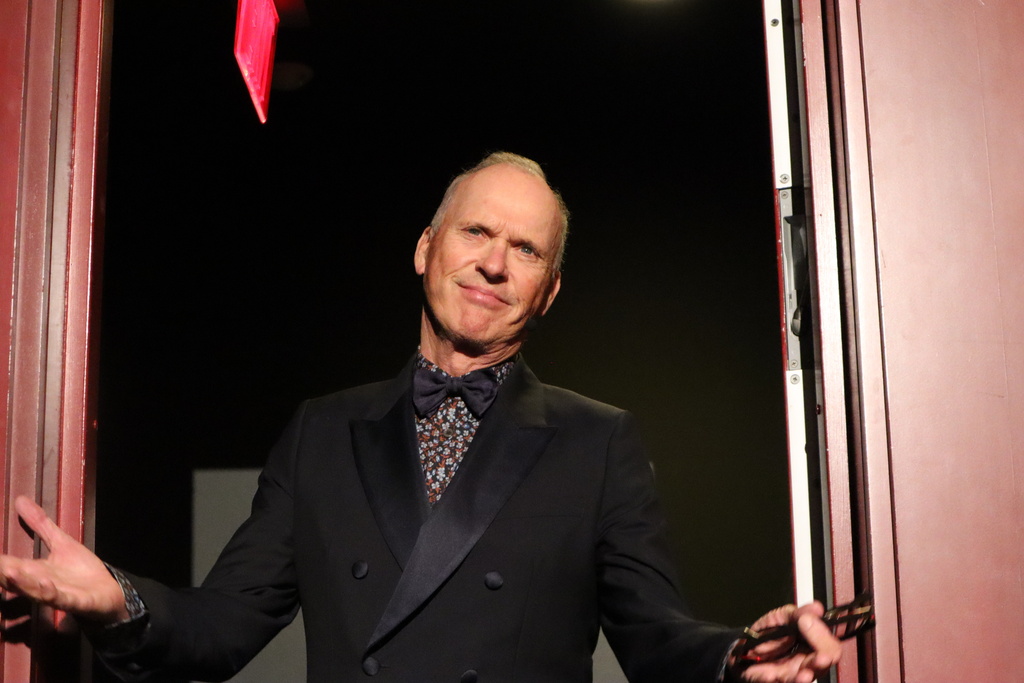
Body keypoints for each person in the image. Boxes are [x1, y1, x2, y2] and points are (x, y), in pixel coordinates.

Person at [0, 152, 842, 682]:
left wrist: (739, 655)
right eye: (477, 231)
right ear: (425, 249)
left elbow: (657, 638)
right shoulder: (322, 431)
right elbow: (220, 627)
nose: (493, 263)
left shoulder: (599, 440)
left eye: (526, 250)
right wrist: (118, 598)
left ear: (548, 290)